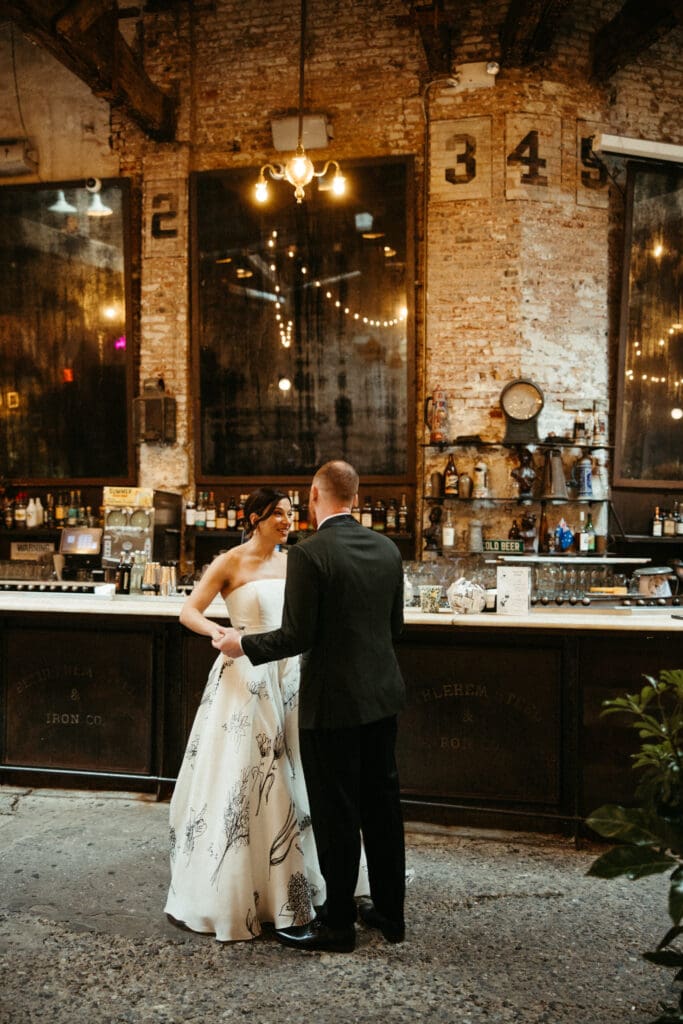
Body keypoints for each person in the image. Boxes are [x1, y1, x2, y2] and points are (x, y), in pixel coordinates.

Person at [214, 460, 406, 953]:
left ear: (314, 495)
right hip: (383, 698)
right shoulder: (386, 548)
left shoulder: (309, 553)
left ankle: (338, 925)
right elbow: (394, 628)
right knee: (382, 808)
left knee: (337, 812)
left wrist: (244, 645)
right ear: (356, 498)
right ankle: (390, 913)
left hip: (333, 704)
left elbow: (297, 636)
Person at [164, 488, 326, 942]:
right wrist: (220, 631)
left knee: (294, 772)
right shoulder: (229, 561)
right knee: (254, 777)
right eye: (277, 514)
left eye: (291, 514)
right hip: (246, 675)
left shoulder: (295, 561)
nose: (286, 521)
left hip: (290, 674)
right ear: (254, 517)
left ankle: (297, 886)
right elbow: (188, 611)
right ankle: (249, 888)